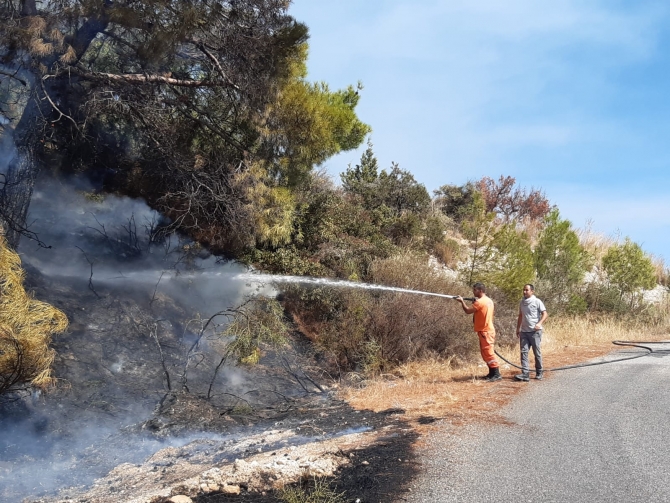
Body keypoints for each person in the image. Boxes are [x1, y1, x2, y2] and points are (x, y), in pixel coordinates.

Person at [456, 283, 501, 382]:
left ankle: (496, 374)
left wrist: (462, 302)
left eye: (475, 290)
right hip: (487, 330)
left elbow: (468, 311)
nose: (473, 291)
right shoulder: (489, 300)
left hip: (485, 331)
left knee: (489, 352)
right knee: (485, 352)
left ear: (480, 291)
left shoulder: (479, 302)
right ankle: (491, 373)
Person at [515, 284, 548, 382]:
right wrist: (518, 328)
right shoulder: (522, 302)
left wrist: (539, 323)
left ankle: (539, 371)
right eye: (523, 290)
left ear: (532, 291)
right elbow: (520, 315)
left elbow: (545, 314)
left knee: (536, 352)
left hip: (534, 332)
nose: (524, 292)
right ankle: (525, 374)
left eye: (526, 290)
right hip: (524, 332)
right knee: (524, 352)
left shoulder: (537, 301)